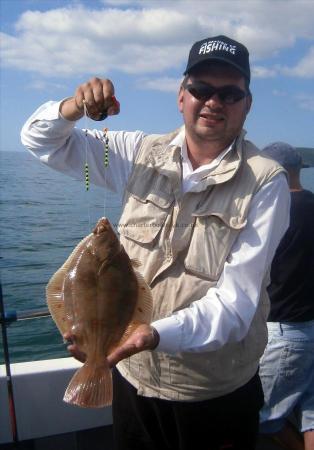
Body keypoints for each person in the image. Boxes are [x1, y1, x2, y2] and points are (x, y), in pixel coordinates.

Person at [21, 35, 290, 450]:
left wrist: (151, 334)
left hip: (213, 394)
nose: (213, 101)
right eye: (201, 89)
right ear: (181, 96)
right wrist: (73, 108)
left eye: (230, 93)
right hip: (132, 382)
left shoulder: (264, 180)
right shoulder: (133, 154)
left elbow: (236, 305)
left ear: (247, 104)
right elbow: (43, 142)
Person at [259, 142, 314, 450]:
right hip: (310, 327)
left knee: (264, 419)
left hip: (284, 332)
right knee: (311, 416)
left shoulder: (272, 214)